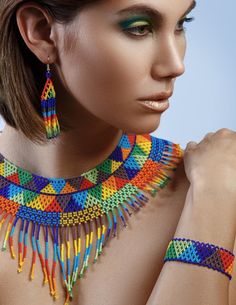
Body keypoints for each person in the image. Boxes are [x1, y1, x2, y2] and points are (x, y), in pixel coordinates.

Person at [0, 0, 235, 305]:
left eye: (181, 25)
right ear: (42, 32)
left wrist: (213, 203)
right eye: (140, 29)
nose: (175, 65)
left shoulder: (218, 191)